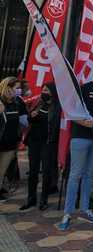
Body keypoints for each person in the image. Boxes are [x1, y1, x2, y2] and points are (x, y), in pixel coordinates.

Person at [58, 61, 93, 231]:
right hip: (80, 137)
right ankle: (67, 213)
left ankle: (85, 209)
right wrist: (84, 123)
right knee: (75, 175)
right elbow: (70, 111)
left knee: (89, 175)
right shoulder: (85, 89)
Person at [20, 83, 60, 211]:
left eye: (47, 90)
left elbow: (57, 125)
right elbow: (29, 119)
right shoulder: (38, 102)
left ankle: (44, 199)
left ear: (53, 92)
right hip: (34, 141)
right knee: (33, 171)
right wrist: (31, 116)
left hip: (48, 142)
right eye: (43, 89)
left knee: (46, 172)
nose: (44, 92)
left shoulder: (57, 107)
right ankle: (31, 198)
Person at [0, 77, 27, 202]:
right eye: (16, 88)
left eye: (19, 88)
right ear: (7, 87)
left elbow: (24, 122)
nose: (19, 91)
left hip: (10, 144)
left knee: (2, 171)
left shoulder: (18, 102)